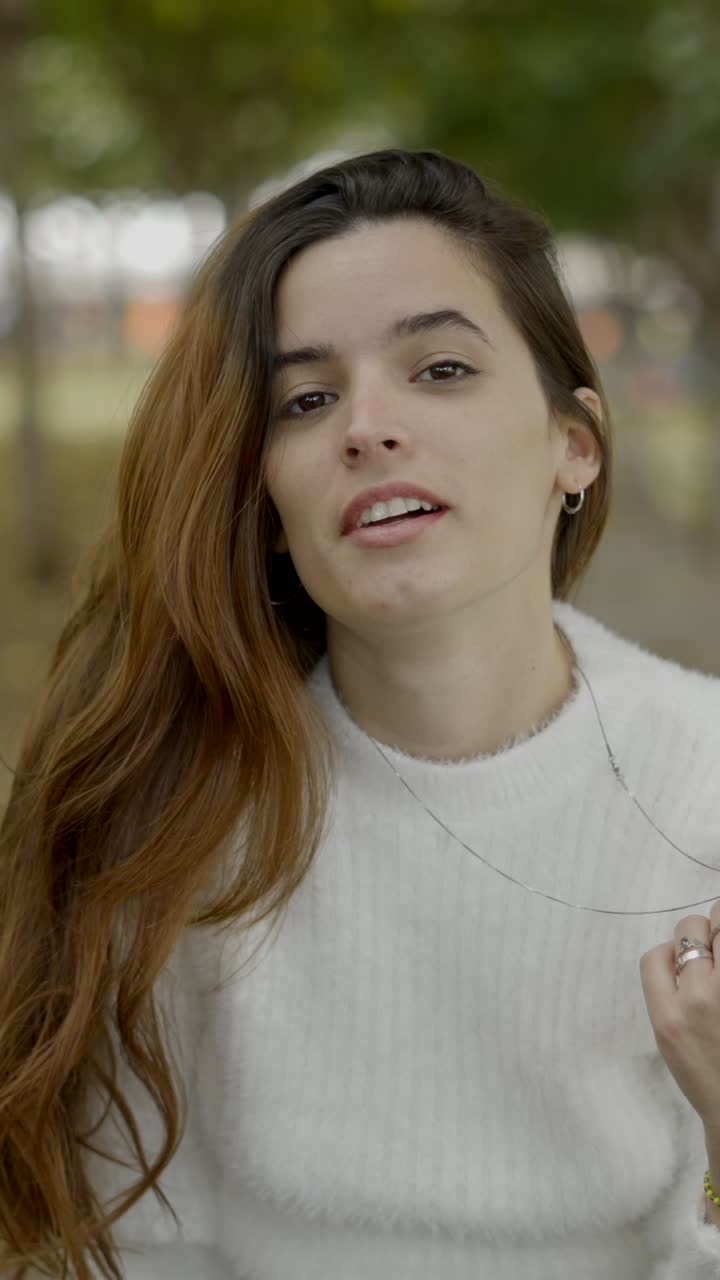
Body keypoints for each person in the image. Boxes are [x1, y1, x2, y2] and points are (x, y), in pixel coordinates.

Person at [2, 148, 720, 1280]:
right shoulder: (179, 807)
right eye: (307, 397)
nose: (367, 426)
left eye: (438, 368)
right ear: (272, 504)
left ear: (573, 442)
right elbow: (135, 1246)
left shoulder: (705, 783)